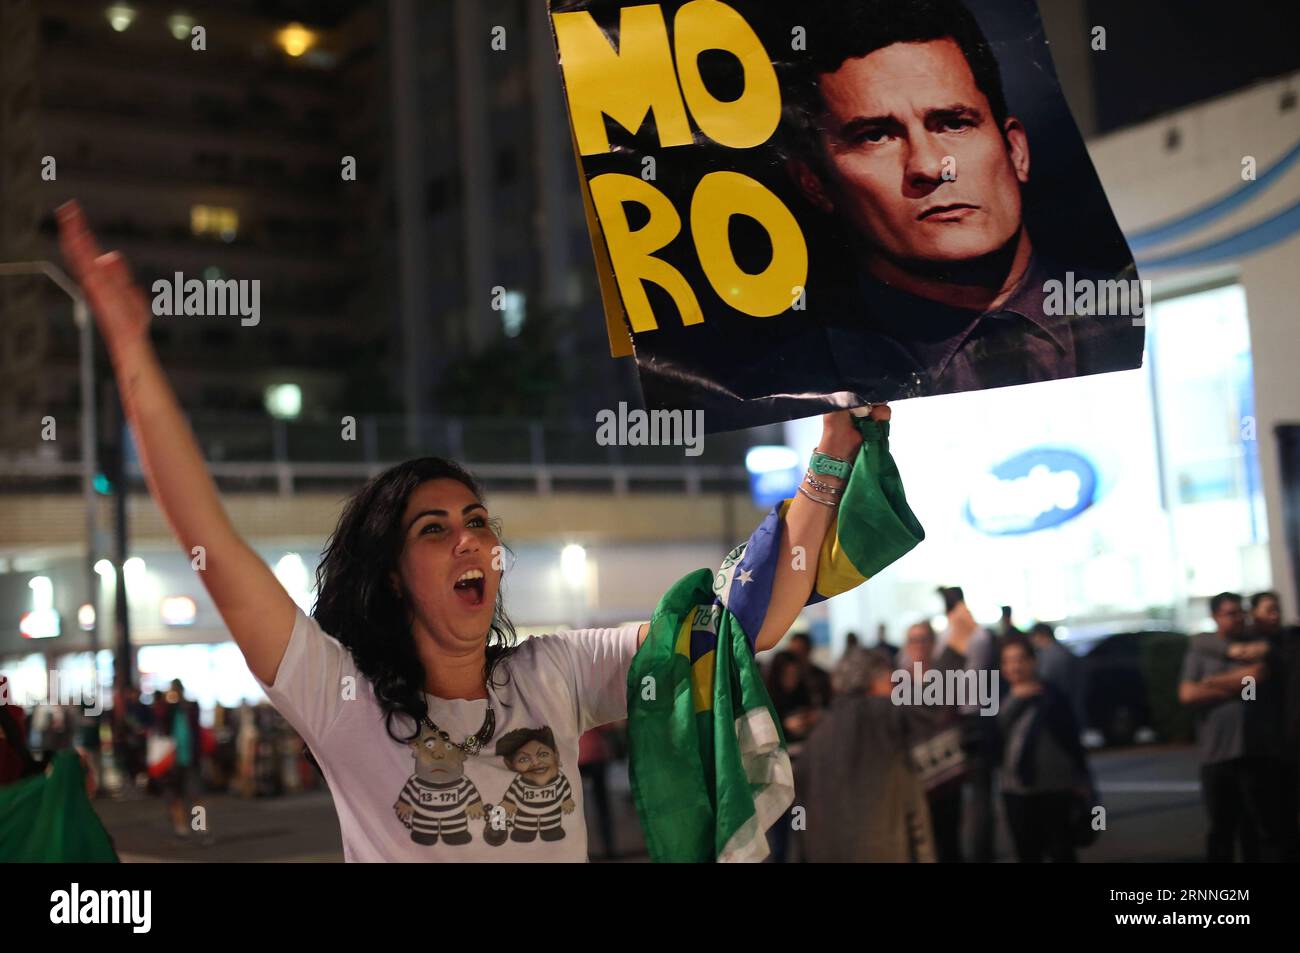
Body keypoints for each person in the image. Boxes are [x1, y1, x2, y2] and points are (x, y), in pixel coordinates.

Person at [57, 198, 890, 862]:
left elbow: (740, 624)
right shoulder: (339, 697)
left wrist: (831, 452)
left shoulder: (554, 673)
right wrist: (130, 350)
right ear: (390, 574)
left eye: (478, 521)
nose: (469, 539)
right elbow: (209, 536)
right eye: (433, 528)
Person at [771, 0, 1144, 399]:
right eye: (875, 136)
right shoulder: (794, 383)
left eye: (954, 124)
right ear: (815, 184)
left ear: (1016, 150)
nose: (932, 166)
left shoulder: (1126, 311)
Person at [1179, 592, 1290, 862]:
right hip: (1216, 755)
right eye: (1230, 613)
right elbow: (1188, 694)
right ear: (1215, 617)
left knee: (1256, 828)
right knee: (1221, 828)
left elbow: (1254, 678)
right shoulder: (1201, 650)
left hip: (1252, 752)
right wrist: (1235, 683)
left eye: (1240, 612)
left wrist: (1211, 682)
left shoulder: (1254, 646)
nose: (1238, 618)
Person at [796, 648, 935, 862]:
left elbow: (799, 815)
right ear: (875, 682)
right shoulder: (880, 713)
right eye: (891, 682)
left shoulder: (817, 736)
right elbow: (931, 713)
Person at [996, 636, 1092, 863]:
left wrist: (1083, 780)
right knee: (1027, 852)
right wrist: (1015, 701)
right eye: (1008, 661)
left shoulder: (1053, 695)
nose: (1015, 666)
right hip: (1016, 788)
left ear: (1033, 662)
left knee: (1062, 850)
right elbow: (994, 737)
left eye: (1020, 659)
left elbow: (1071, 740)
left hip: (1056, 786)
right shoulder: (999, 699)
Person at [938, 585, 999, 862]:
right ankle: (982, 853)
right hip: (978, 716)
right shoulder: (981, 635)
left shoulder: (945, 637)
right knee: (982, 794)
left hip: (952, 717)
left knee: (953, 795)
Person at [899, 620, 965, 862]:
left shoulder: (947, 677)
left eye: (923, 639)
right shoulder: (896, 682)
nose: (918, 645)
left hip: (947, 770)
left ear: (933, 643)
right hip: (913, 775)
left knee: (949, 840)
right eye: (913, 640)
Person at [1028, 622, 1084, 727]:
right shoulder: (1060, 650)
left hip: (1063, 702)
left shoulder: (1052, 655)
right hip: (1070, 700)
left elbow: (1045, 679)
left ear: (1041, 636)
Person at [788, 632, 834, 712]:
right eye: (792, 652)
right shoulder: (783, 677)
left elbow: (827, 703)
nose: (796, 656)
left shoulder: (820, 676)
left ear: (808, 650)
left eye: (800, 651)